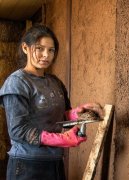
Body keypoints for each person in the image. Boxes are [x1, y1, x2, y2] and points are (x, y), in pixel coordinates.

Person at [0, 24, 104, 180]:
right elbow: (18, 130)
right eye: (39, 49)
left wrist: (79, 113)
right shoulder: (17, 82)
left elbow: (61, 117)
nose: (46, 55)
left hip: (54, 161)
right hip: (27, 165)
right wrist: (62, 139)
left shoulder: (55, 82)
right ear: (25, 48)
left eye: (51, 50)